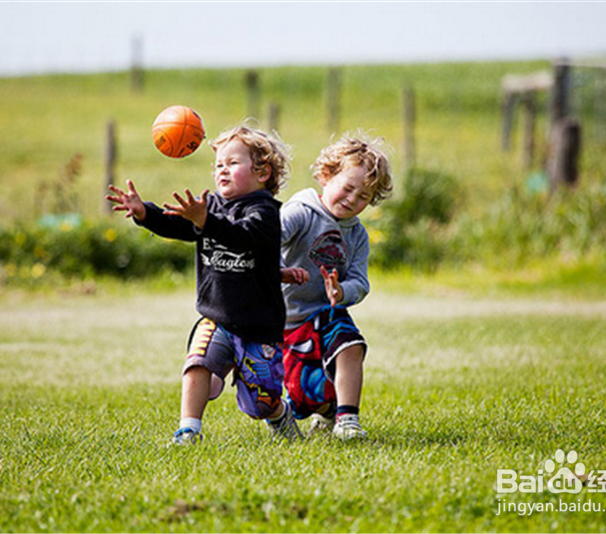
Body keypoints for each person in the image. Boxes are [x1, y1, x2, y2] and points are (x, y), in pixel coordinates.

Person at [106, 125, 302, 445]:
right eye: (218, 164)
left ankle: (279, 414)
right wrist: (145, 213)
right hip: (216, 316)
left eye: (232, 163)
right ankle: (189, 430)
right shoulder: (209, 208)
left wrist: (205, 221)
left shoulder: (265, 212)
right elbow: (177, 225)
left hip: (258, 325)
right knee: (196, 363)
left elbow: (243, 236)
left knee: (260, 404)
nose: (222, 169)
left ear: (263, 172)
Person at [279, 134, 393, 440]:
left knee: (350, 344)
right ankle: (325, 412)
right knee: (306, 395)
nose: (353, 200)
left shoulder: (357, 235)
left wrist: (342, 292)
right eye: (348, 188)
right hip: (283, 319)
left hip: (325, 314)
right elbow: (268, 240)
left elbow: (360, 282)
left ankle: (347, 420)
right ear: (326, 176)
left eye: (364, 196)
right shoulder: (300, 211)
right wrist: (280, 272)